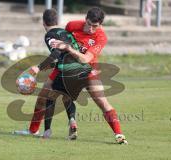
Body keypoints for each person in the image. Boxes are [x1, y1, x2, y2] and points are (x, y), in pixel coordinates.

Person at [48, 7, 128, 144]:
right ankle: (44, 130)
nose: (91, 29)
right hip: (69, 69)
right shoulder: (72, 25)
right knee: (52, 93)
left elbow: (85, 59)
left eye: (95, 26)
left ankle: (119, 135)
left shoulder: (101, 37)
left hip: (88, 71)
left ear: (100, 25)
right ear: (86, 19)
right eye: (89, 24)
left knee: (102, 102)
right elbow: (62, 42)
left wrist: (68, 48)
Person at [14, 9, 91, 140]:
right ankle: (72, 120)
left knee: (50, 96)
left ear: (43, 22)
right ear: (57, 21)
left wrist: (39, 68)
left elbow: (56, 53)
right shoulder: (66, 32)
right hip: (82, 70)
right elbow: (66, 53)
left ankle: (47, 131)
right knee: (67, 98)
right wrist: (50, 65)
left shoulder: (50, 35)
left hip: (68, 70)